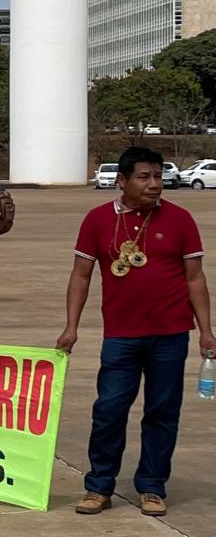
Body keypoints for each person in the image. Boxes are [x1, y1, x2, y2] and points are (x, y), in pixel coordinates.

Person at [56, 147, 215, 517]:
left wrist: (206, 330)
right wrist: (71, 326)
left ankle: (152, 486)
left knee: (162, 411)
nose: (154, 184)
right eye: (144, 177)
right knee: (109, 410)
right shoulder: (97, 220)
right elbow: (81, 275)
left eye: (158, 176)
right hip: (121, 336)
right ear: (122, 180)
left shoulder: (180, 219)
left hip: (171, 334)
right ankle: (99, 487)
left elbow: (195, 278)